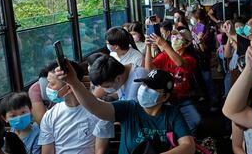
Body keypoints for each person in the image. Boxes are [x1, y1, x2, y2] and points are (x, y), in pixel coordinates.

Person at [55, 66, 195, 154]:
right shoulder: (129, 108)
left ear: (164, 97)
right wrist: (73, 82)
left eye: (151, 88)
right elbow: (95, 107)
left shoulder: (172, 114)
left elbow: (188, 146)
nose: (144, 90)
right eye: (144, 85)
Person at [38, 61, 112, 154]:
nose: (48, 88)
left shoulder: (100, 111)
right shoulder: (50, 116)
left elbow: (100, 151)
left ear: (68, 87)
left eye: (52, 84)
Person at [145, 28, 201, 133]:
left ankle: (187, 140)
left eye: (178, 37)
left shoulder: (190, 59)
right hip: (166, 99)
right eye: (173, 37)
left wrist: (165, 45)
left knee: (195, 120)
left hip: (183, 98)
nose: (174, 39)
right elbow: (149, 69)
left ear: (187, 43)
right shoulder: (165, 56)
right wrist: (148, 47)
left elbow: (179, 63)